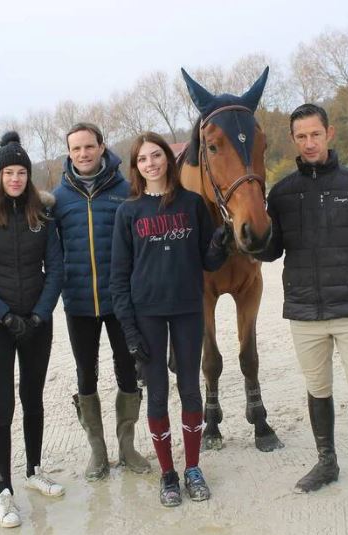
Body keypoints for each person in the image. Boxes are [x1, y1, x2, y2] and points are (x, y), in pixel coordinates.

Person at [256, 103, 348, 516]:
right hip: (304, 312)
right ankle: (327, 462)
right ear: (294, 140)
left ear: (329, 133)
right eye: (301, 137)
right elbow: (271, 251)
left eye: (314, 134)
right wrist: (243, 233)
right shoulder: (282, 193)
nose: (309, 143)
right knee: (317, 388)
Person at [110, 132, 229, 507]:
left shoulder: (192, 205)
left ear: (167, 160)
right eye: (143, 159)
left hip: (188, 311)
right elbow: (118, 277)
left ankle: (192, 467)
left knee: (190, 389)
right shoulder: (128, 212)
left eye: (156, 155)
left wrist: (220, 243)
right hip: (147, 314)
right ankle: (168, 473)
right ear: (136, 167)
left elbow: (209, 262)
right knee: (157, 394)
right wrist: (130, 331)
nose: (151, 163)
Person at [0, 132, 65, 528]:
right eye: (9, 172)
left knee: (33, 399)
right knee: (2, 405)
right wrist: (4, 316)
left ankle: (34, 469)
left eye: (22, 171)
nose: (16, 178)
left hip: (37, 321)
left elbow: (55, 268)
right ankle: (4, 490)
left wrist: (39, 314)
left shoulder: (42, 214)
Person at [52, 122, 151, 481]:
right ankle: (98, 450)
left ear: (101, 147)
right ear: (69, 153)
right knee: (85, 374)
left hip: (120, 302)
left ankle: (127, 446)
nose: (83, 154)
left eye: (89, 147)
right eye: (76, 149)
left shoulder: (124, 190)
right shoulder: (58, 198)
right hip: (78, 303)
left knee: (127, 370)